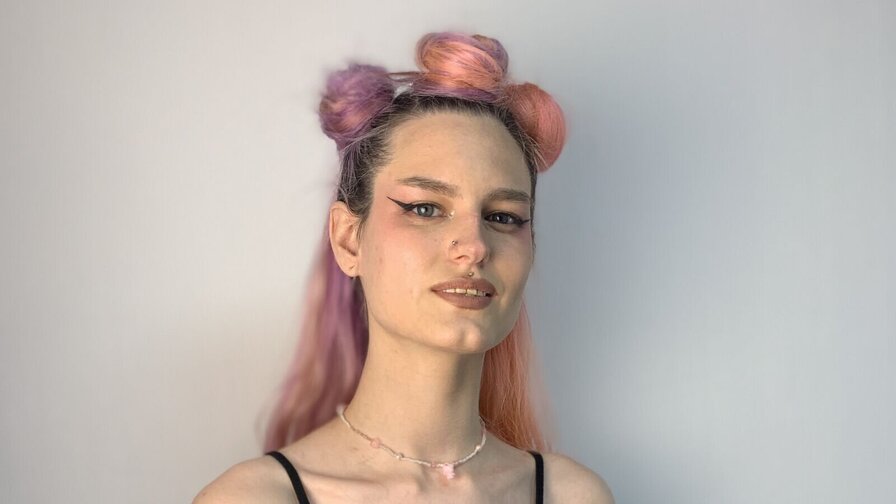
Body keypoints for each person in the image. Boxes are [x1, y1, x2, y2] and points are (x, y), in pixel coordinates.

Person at [194, 32, 613, 503]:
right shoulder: (255, 497)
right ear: (348, 239)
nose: (474, 247)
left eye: (503, 217)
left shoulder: (570, 494)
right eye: (425, 208)